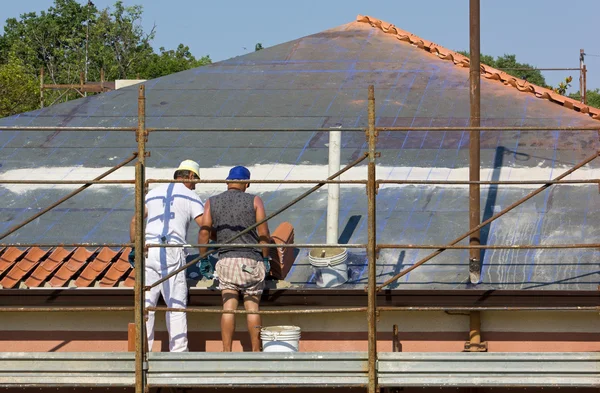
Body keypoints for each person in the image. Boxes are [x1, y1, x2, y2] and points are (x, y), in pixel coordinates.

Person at [129, 159, 204, 352]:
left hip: (148, 249)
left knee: (146, 304)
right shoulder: (190, 196)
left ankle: (142, 351)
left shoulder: (152, 194)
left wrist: (135, 248)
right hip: (172, 249)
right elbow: (204, 225)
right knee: (175, 304)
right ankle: (178, 354)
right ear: (189, 176)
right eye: (195, 180)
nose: (195, 185)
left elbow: (135, 221)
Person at [198, 165, 270, 352]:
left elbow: (204, 232)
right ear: (246, 183)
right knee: (252, 308)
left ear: (228, 181)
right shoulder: (255, 200)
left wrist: (203, 258)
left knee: (228, 308)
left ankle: (226, 351)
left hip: (226, 261)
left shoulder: (212, 202)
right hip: (251, 261)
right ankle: (255, 351)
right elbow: (264, 233)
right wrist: (266, 258)